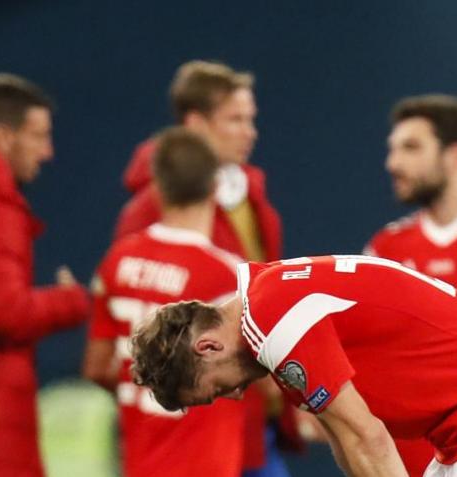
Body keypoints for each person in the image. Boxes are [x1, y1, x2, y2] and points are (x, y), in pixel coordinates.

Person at [131, 255, 457, 476]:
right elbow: (346, 439)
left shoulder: (272, 320)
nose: (234, 395)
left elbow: (369, 438)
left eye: (215, 389)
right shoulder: (267, 308)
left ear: (208, 347)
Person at [113, 60, 293, 476]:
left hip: (251, 414)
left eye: (250, 119)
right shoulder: (148, 213)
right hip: (197, 423)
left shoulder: (251, 198)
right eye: (235, 120)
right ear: (196, 123)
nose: (250, 131)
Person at [82, 127, 246, 477]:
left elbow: (97, 367)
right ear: (215, 187)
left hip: (141, 459)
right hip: (204, 463)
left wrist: (149, 385)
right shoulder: (227, 276)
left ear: (157, 187)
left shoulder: (118, 261)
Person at [364, 94, 457, 476]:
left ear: (454, 156)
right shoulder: (385, 249)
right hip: (408, 458)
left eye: (411, 148)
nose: (393, 163)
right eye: (393, 149)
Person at [0, 73, 90, 477]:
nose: (48, 152)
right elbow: (6, 312)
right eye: (38, 136)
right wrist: (71, 301)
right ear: (3, 136)